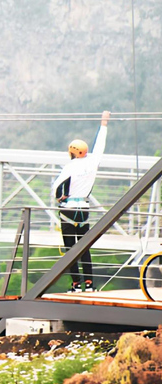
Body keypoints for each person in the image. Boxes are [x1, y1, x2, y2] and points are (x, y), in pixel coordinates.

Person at [52, 110, 111, 293]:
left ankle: (76, 284)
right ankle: (89, 284)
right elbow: (100, 145)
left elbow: (56, 187)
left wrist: (59, 197)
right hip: (84, 209)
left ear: (72, 152)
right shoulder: (93, 162)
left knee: (71, 249)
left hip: (68, 209)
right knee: (84, 248)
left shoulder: (70, 166)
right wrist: (104, 123)